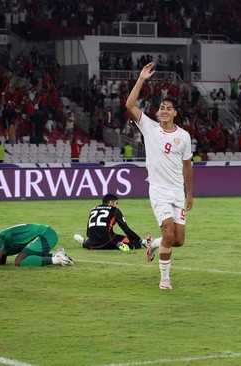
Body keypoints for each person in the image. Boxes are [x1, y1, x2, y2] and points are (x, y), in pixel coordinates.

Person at [126, 62, 194, 291]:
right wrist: (142, 79)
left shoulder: (184, 137)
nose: (164, 110)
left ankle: (151, 244)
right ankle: (165, 278)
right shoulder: (149, 127)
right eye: (161, 107)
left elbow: (187, 165)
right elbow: (129, 104)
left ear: (175, 113)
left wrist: (190, 194)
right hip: (158, 190)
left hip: (177, 191)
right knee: (167, 230)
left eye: (168, 108)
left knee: (178, 239)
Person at [0, 223, 75, 267]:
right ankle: (59, 255)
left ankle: (57, 260)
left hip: (45, 235)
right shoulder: (2, 246)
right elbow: (1, 263)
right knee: (26, 257)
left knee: (19, 261)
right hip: (46, 234)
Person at [73, 194, 146, 251]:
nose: (117, 205)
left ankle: (84, 243)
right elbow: (126, 229)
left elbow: (88, 231)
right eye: (116, 203)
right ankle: (119, 244)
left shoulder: (94, 209)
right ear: (110, 202)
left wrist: (89, 239)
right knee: (135, 243)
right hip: (108, 241)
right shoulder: (115, 210)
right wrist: (141, 240)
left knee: (91, 241)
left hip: (92, 243)